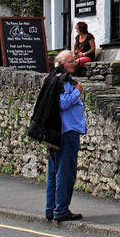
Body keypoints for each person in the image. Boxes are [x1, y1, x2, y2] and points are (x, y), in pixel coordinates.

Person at [41, 51, 86, 223]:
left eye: (74, 60)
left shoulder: (53, 78)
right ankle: (61, 209)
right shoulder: (64, 80)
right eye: (70, 61)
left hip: (56, 131)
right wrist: (77, 92)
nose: (74, 63)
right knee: (64, 172)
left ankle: (51, 209)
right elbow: (63, 103)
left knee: (54, 171)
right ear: (60, 63)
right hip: (66, 131)